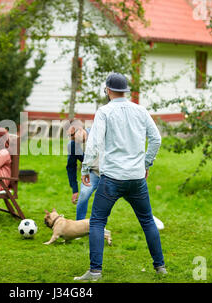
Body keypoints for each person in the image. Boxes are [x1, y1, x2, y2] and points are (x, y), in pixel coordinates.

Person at [74, 73, 166, 281]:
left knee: (97, 222)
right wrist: (145, 163)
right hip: (136, 179)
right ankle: (160, 267)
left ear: (107, 90)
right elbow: (156, 139)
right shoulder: (141, 110)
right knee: (147, 221)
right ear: (126, 91)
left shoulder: (104, 112)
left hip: (112, 178)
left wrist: (85, 168)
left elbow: (95, 142)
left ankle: (95, 271)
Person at [66, 121, 100, 220]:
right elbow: (71, 167)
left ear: (80, 130)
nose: (70, 138)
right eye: (69, 135)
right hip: (92, 173)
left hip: (108, 170)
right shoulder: (72, 145)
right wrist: (75, 190)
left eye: (72, 135)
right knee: (84, 194)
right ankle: (79, 225)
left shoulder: (96, 135)